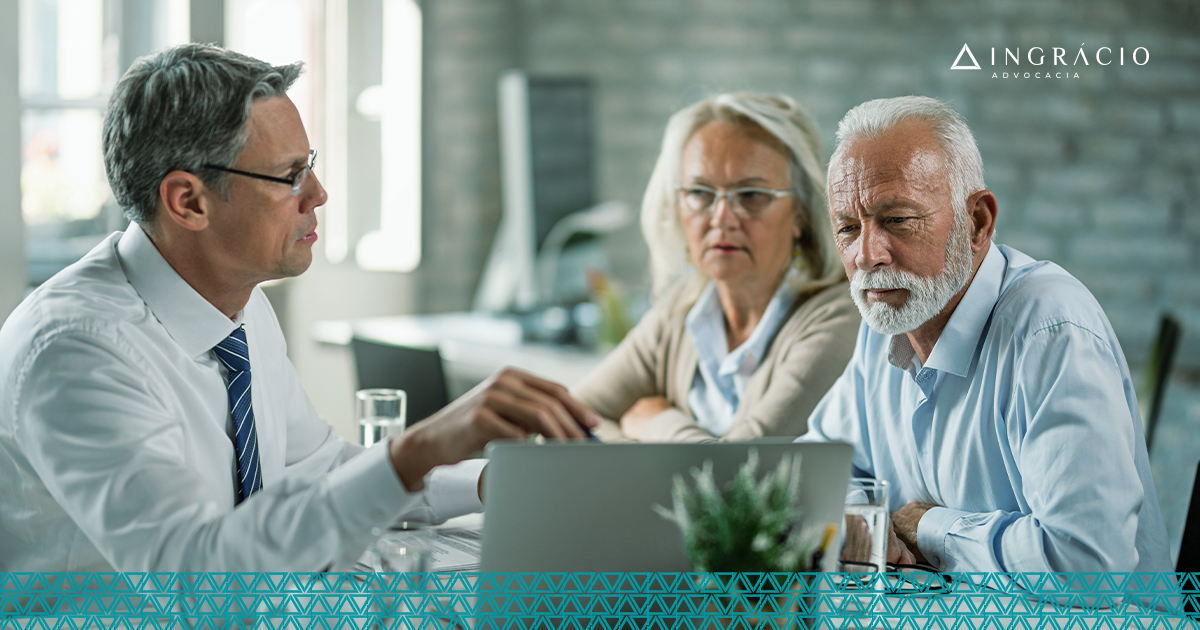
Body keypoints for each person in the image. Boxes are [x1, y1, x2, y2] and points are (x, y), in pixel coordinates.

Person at [0, 44, 598, 571]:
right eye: (290, 176)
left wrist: (499, 483)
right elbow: (188, 577)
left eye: (309, 165)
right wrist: (418, 448)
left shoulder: (238, 307)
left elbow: (321, 475)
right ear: (188, 201)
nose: (318, 194)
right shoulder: (76, 348)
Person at [803, 95, 1171, 572]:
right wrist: (862, 519)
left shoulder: (1049, 329)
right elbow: (813, 476)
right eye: (849, 228)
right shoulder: (885, 322)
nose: (868, 255)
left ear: (977, 222)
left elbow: (1090, 567)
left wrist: (929, 528)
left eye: (897, 220)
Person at [572, 93, 860, 443]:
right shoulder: (680, 312)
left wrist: (656, 424)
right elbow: (565, 421)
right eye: (700, 192)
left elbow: (739, 480)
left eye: (751, 195)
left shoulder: (841, 319)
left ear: (800, 212)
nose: (721, 219)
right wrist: (642, 453)